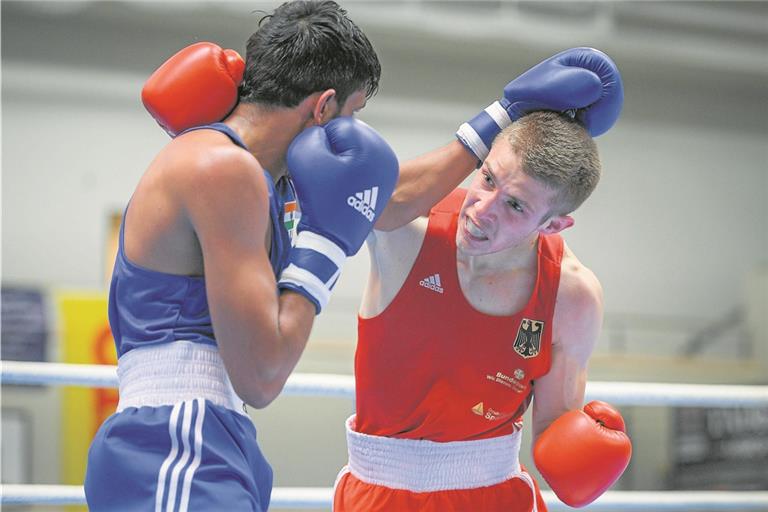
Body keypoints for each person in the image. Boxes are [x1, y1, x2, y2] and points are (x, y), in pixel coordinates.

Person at [144, 42, 632, 510]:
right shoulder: (410, 230)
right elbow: (346, 173)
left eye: (515, 205)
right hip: (378, 495)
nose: (482, 209)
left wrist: (584, 452)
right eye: (487, 177)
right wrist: (229, 110)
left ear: (554, 225)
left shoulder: (571, 295)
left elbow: (553, 428)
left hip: (496, 496)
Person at [83, 2, 398, 511]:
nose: (350, 133)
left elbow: (392, 195)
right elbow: (263, 373)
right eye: (353, 114)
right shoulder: (223, 170)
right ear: (323, 107)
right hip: (176, 440)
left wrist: (499, 121)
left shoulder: (260, 179)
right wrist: (326, 249)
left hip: (204, 436)